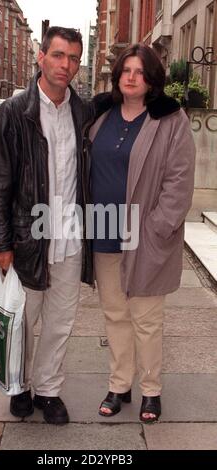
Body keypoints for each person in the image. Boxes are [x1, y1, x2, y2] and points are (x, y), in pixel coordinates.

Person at [0, 26, 110, 425]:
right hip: (27, 239)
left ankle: (49, 390)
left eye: (73, 58)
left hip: (70, 239)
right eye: (58, 55)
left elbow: (125, 96)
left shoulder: (82, 110)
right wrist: (1, 243)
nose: (66, 65)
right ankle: (19, 386)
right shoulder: (14, 113)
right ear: (41, 56)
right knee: (22, 319)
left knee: (60, 321)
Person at [88, 43, 195, 423]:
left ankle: (152, 390)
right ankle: (120, 384)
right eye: (126, 70)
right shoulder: (101, 115)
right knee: (115, 314)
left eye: (140, 72)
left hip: (146, 237)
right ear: (117, 75)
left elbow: (179, 180)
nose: (131, 77)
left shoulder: (169, 120)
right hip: (103, 231)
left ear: (151, 79)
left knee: (147, 319)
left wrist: (158, 227)